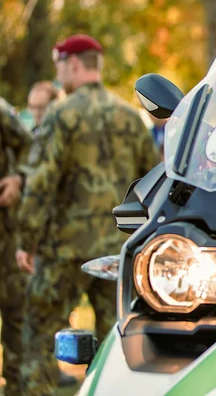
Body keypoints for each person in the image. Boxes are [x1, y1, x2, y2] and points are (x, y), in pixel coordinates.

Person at [17, 34, 161, 396]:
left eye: (60, 67)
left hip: (64, 250)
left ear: (74, 64)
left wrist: (26, 241)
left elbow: (40, 183)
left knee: (38, 334)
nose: (58, 75)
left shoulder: (61, 114)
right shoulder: (129, 117)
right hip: (119, 250)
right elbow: (154, 182)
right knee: (121, 341)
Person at [0, 97, 31, 394]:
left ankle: (15, 384)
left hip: (5, 232)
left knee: (14, 307)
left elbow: (29, 146)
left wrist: (17, 178)